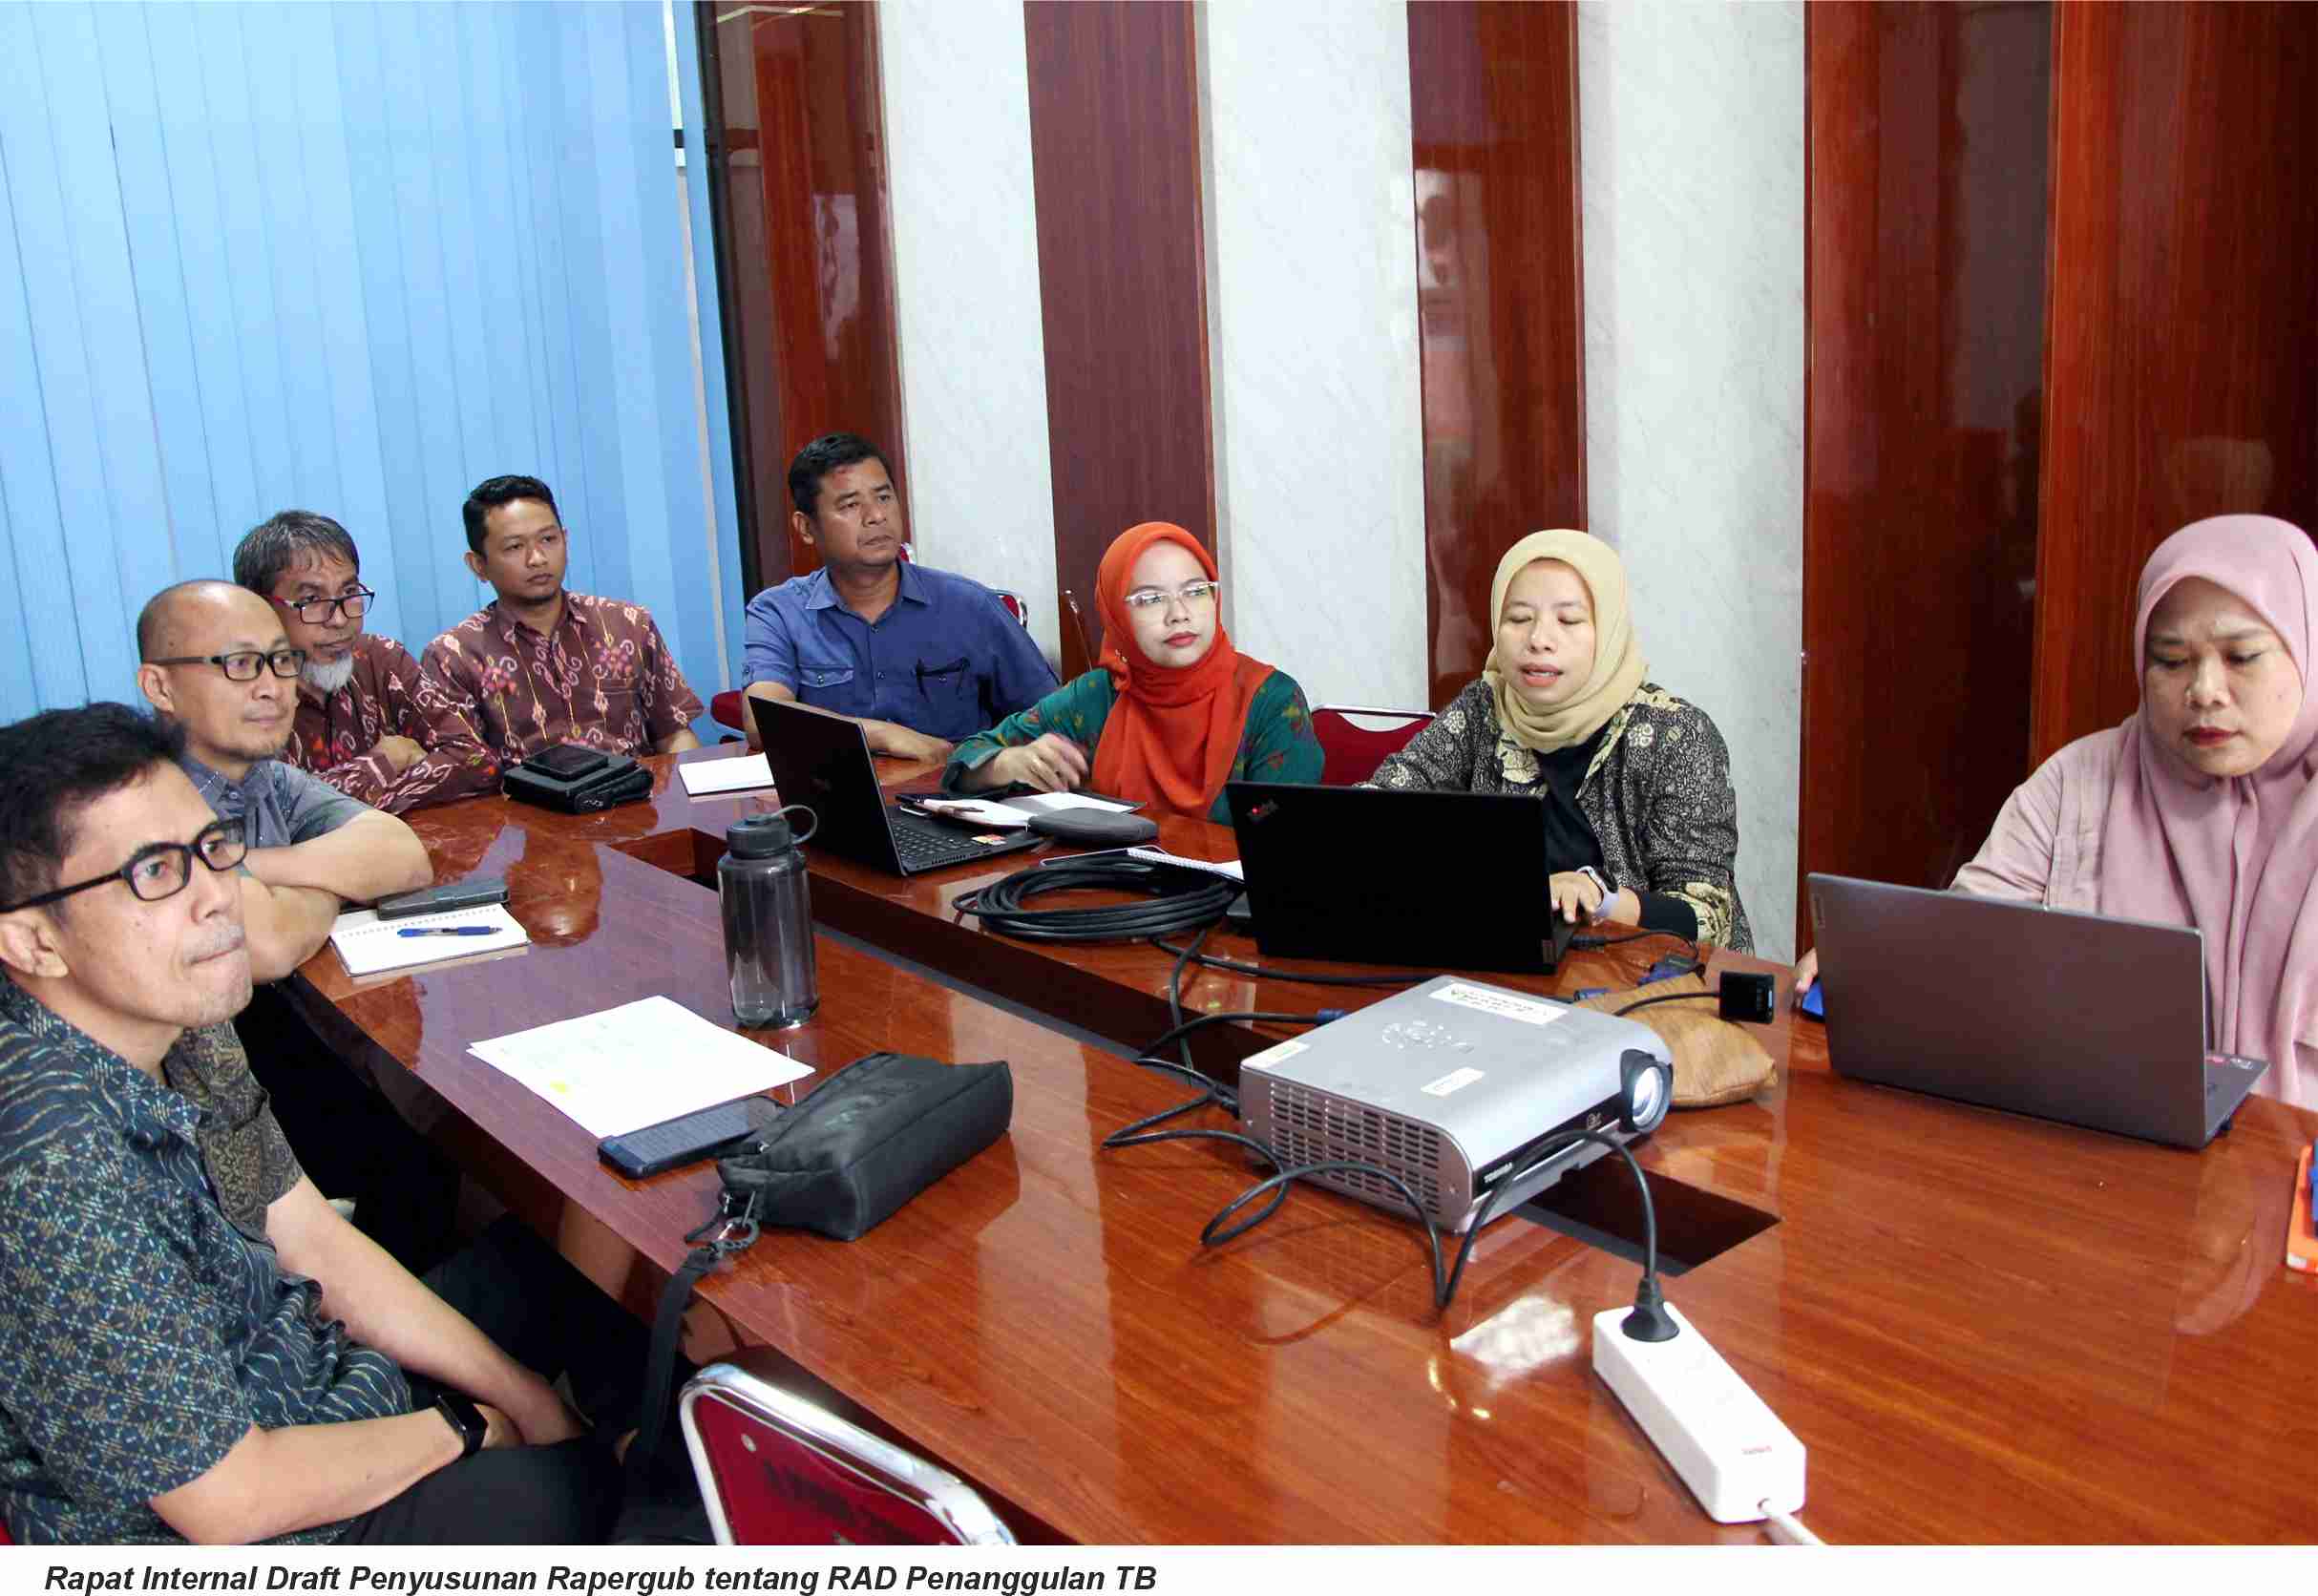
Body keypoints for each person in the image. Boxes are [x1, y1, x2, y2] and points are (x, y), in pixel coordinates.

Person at [0, 704, 643, 1544]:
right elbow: (226, 1501)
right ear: (33, 943)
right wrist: (468, 1428)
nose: (218, 899)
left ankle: (614, 1438)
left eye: (212, 851)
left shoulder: (179, 1016)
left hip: (311, 1379)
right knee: (616, 1509)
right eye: (156, 873)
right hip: (245, 1530)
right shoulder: (50, 1159)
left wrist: (524, 1400)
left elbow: (306, 1234)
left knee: (557, 1273)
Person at [1796, 514, 2318, 1109]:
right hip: (2099, 1146)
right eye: (2171, 660)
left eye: (2241, 656)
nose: (2203, 690)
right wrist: (1879, 959)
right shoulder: (2081, 783)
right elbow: (1971, 933)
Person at [1363, 529, 1753, 952]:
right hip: (1511, 964)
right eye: (1517, 619)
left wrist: (1601, 899)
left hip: (1654, 983)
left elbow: (1708, 914)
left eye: (1567, 620)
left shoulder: (1676, 736)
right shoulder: (1484, 706)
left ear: (1608, 631)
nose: (1538, 640)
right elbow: (1385, 805)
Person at [136, 580, 432, 979]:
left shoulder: (268, 778)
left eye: (281, 661)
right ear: (159, 687)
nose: (272, 689)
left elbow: (405, 859)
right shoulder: (140, 804)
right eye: (240, 664)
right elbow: (267, 946)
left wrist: (246, 866)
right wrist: (336, 886)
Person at [944, 521, 1320, 820]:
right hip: (1113, 896)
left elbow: (1281, 817)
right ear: (1117, 615)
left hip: (1232, 900)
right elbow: (967, 758)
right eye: (1151, 599)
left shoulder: (1271, 700)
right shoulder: (1099, 696)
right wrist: (1006, 764)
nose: (1179, 614)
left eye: (1195, 591)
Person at [742, 433, 1057, 761]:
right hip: (836, 802)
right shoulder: (778, 612)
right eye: (850, 505)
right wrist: (882, 735)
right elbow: (762, 718)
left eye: (884, 497)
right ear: (806, 527)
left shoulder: (969, 605)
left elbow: (1048, 714)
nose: (876, 516)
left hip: (953, 796)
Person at [422, 475, 704, 766]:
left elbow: (674, 734)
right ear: (479, 565)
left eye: (548, 539)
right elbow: (464, 771)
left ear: (565, 540)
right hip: (524, 807)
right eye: (515, 547)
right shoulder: (454, 656)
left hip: (635, 799)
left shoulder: (628, 625)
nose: (537, 558)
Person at [233, 510, 501, 814]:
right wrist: (383, 763)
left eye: (349, 593)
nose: (339, 619)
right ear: (260, 608)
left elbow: (477, 762)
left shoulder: (380, 658)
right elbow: (272, 819)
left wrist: (346, 802)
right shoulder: (244, 697)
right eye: (311, 600)